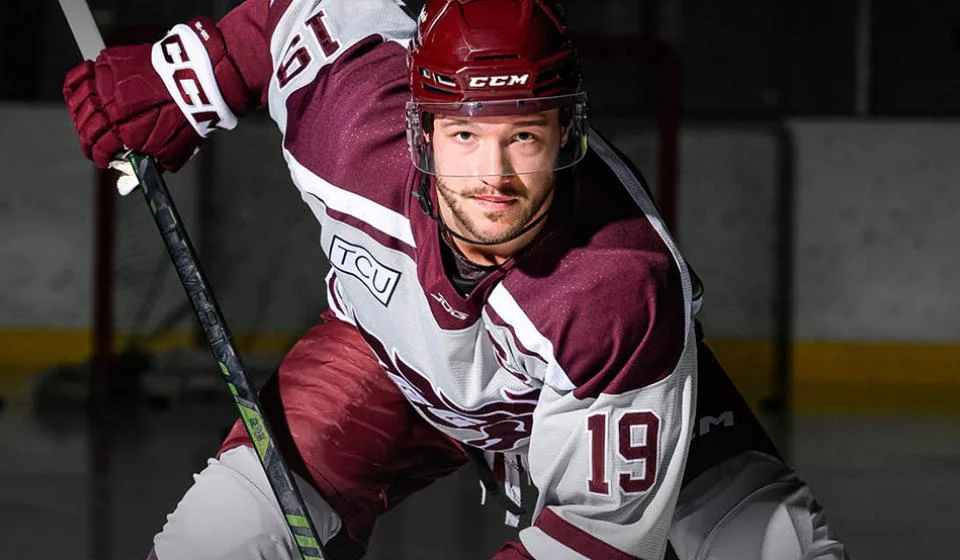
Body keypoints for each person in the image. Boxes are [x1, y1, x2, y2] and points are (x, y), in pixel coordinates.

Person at [62, 1, 848, 558]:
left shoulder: (619, 289)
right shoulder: (351, 114)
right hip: (384, 366)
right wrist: (188, 73)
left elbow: (597, 540)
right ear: (419, 127)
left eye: (525, 137)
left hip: (588, 392)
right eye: (466, 133)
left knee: (779, 548)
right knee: (213, 547)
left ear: (565, 133)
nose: (493, 175)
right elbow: (289, 17)